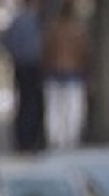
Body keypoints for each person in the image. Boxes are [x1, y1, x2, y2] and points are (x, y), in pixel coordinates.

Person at [41, 0, 89, 150]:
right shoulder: (78, 30)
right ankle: (71, 139)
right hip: (73, 73)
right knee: (73, 107)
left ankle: (55, 138)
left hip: (54, 72)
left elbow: (45, 51)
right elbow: (84, 53)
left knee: (54, 108)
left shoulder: (52, 29)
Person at [2, 0, 45, 153]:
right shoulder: (35, 20)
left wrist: (16, 56)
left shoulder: (17, 20)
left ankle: (23, 139)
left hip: (20, 65)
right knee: (32, 102)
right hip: (33, 66)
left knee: (23, 101)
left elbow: (7, 42)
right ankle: (30, 139)